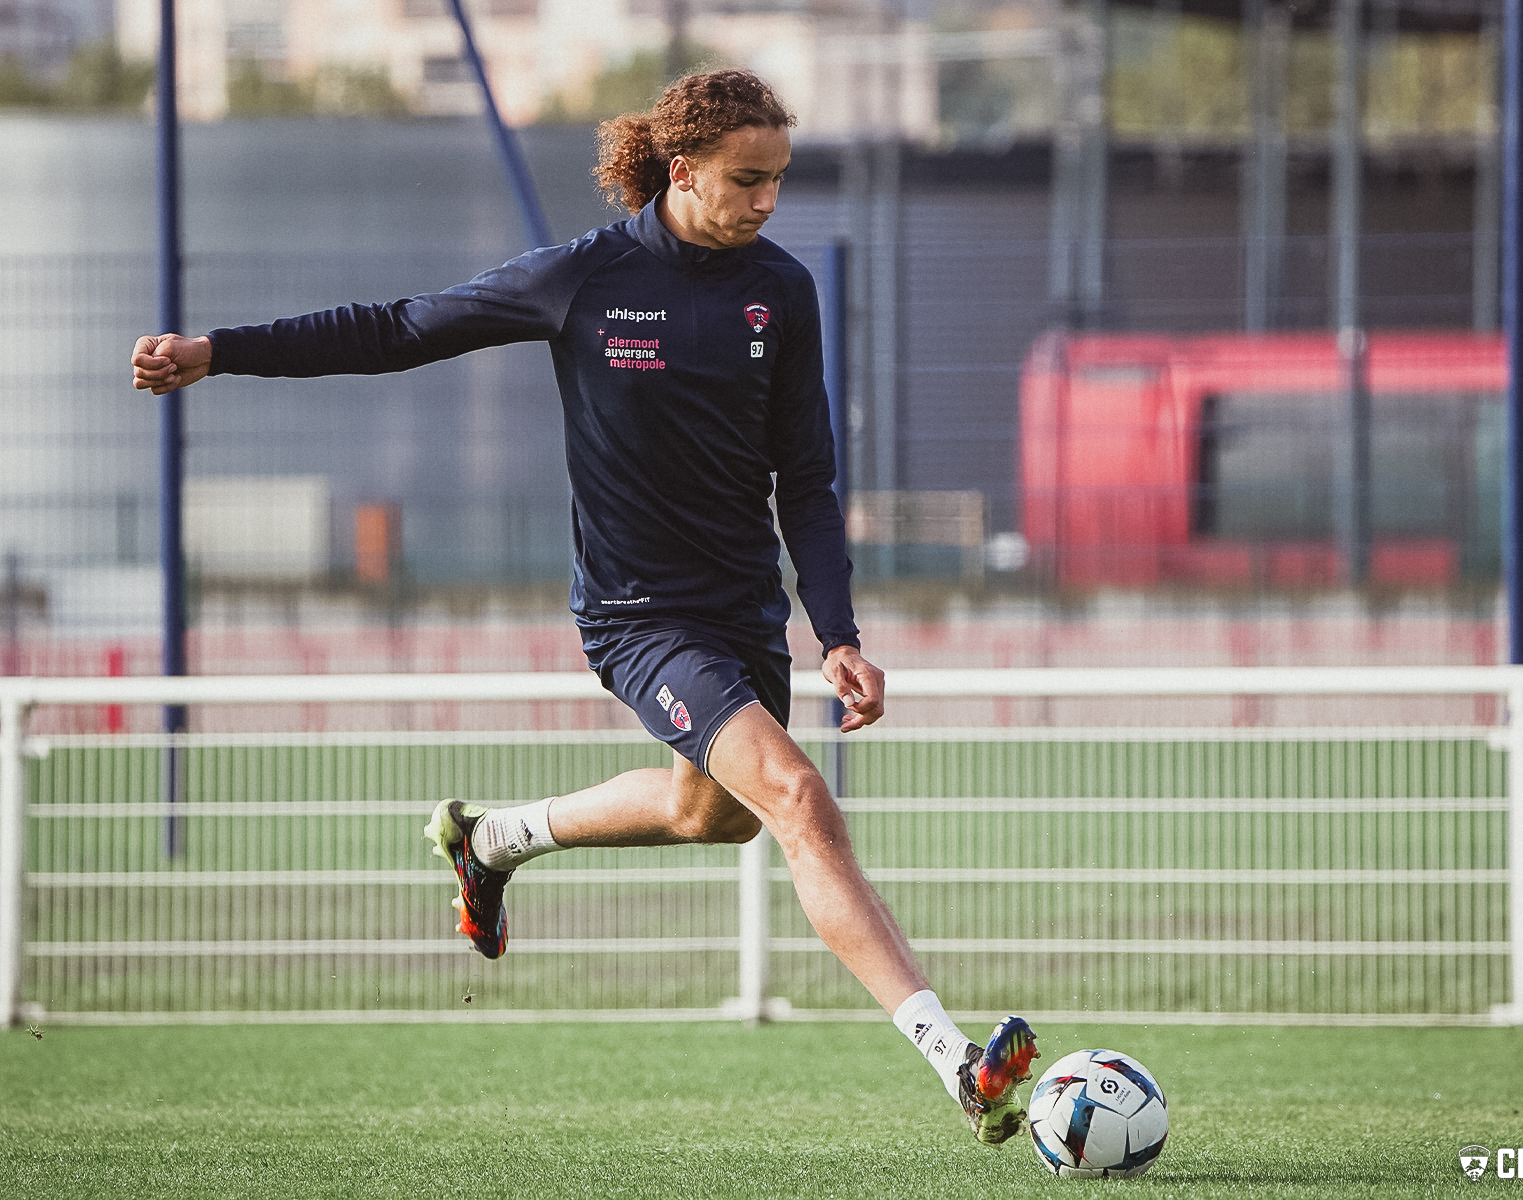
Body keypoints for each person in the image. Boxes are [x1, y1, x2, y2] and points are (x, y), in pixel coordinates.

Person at [131, 68, 1038, 1144]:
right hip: (639, 616)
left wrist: (836, 630)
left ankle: (495, 838)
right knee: (795, 797)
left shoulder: (779, 291)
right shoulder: (583, 278)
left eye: (779, 180)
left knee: (714, 815)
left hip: (743, 611)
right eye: (746, 180)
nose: (767, 201)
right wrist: (219, 352)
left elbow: (806, 475)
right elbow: (398, 327)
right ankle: (956, 1060)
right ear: (682, 168)